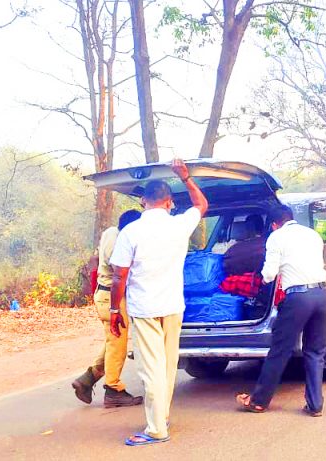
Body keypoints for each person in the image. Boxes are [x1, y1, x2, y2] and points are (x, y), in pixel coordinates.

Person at [109, 159, 208, 446]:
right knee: (166, 366)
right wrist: (186, 178)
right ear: (169, 202)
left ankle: (156, 430)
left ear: (142, 201)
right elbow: (202, 205)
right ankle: (161, 416)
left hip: (145, 309)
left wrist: (115, 309)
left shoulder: (130, 232)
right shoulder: (179, 224)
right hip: (173, 307)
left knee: (150, 369)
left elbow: (119, 278)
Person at [236, 205, 326, 417]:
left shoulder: (276, 237)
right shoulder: (312, 235)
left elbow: (269, 274)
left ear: (274, 224)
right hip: (322, 295)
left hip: (297, 298)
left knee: (280, 350)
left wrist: (260, 277)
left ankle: (258, 401)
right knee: (315, 352)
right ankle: (315, 405)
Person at [71, 209, 143, 408]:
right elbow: (122, 271)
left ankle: (88, 379)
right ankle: (113, 390)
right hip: (111, 297)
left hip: (106, 294)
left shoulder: (111, 232)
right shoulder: (120, 243)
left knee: (114, 342)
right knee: (117, 345)